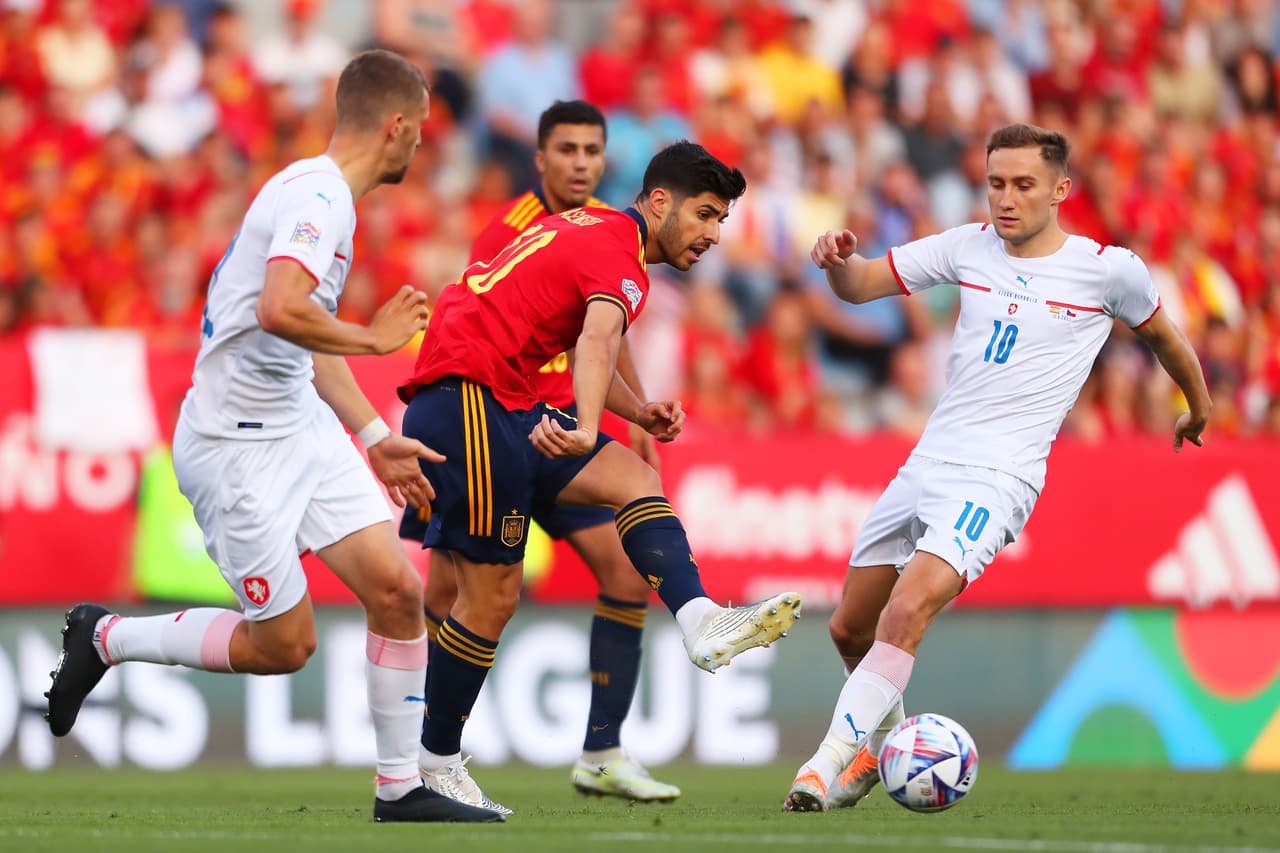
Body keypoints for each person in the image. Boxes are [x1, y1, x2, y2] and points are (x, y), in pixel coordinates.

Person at [43, 49, 501, 824]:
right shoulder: (319, 198)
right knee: (284, 645)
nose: (422, 146)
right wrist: (375, 336)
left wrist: (369, 432)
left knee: (398, 592)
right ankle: (107, 635)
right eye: (418, 132)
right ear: (394, 128)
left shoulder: (319, 196)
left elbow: (303, 340)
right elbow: (280, 307)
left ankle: (401, 787)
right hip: (236, 447)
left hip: (299, 424)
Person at [783, 123, 1212, 812]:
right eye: (995, 183)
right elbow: (861, 286)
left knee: (907, 608)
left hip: (998, 478)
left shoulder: (1109, 270)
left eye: (1022, 185)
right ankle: (872, 751)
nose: (1005, 199)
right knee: (849, 629)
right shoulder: (967, 245)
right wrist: (837, 260)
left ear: (1060, 189)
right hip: (928, 460)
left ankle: (822, 763)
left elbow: (1167, 338)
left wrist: (1198, 405)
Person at [399, 141, 802, 813]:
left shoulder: (596, 231)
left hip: (506, 399)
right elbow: (594, 337)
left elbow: (589, 337)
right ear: (659, 200)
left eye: (721, 221)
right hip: (470, 394)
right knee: (488, 599)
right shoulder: (625, 256)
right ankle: (433, 765)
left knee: (636, 479)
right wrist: (587, 425)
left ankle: (700, 618)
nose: (711, 234)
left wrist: (634, 410)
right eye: (704, 214)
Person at [400, 100, 681, 803]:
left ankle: (603, 748)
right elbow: (489, 315)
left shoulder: (604, 230)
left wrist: (639, 408)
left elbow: (606, 330)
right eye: (567, 150)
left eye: (593, 150)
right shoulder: (514, 229)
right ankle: (425, 746)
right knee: (449, 592)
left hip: (565, 432)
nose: (581, 163)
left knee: (624, 570)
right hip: (496, 423)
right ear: (542, 159)